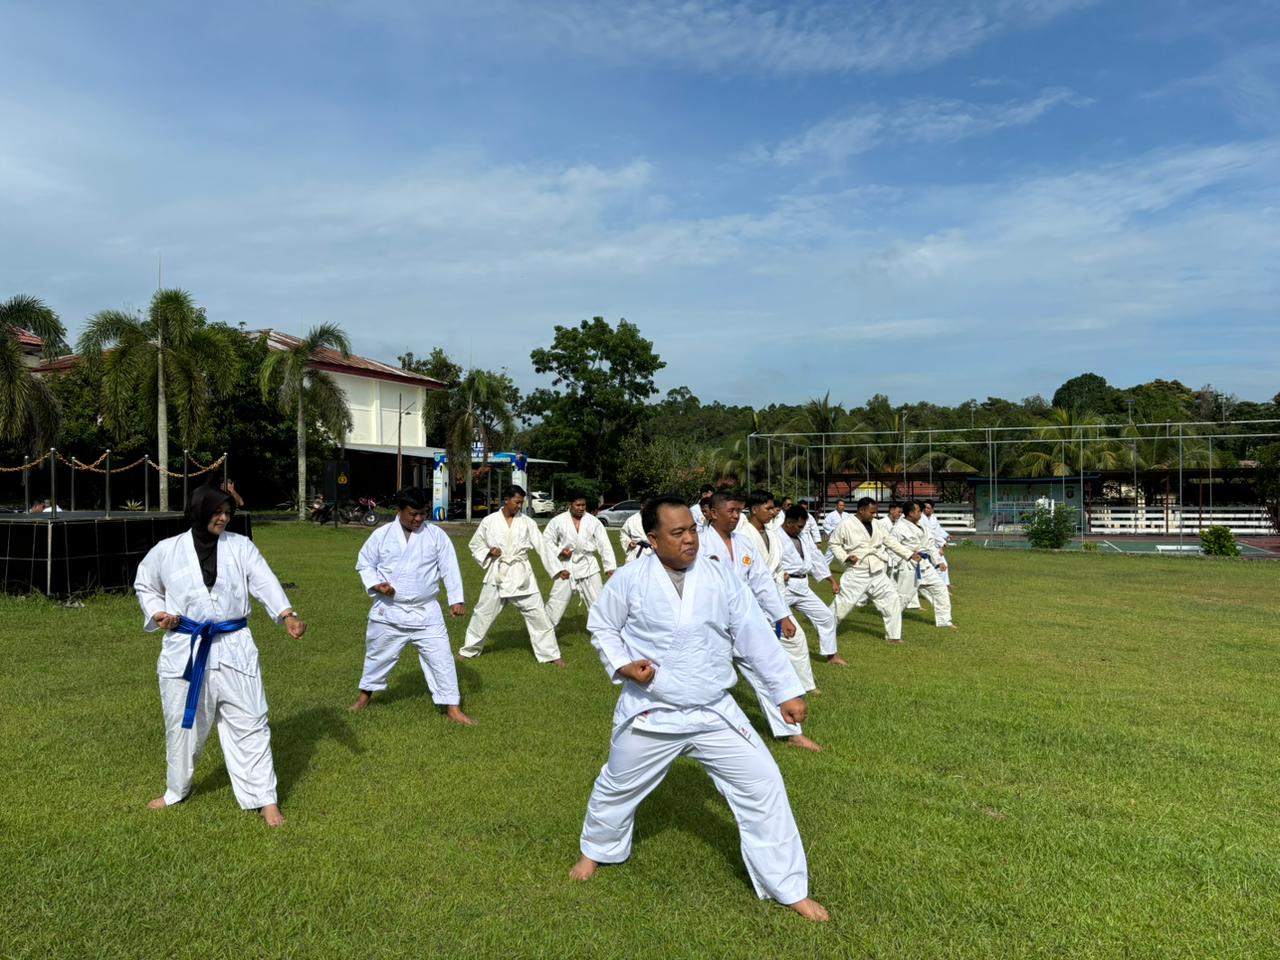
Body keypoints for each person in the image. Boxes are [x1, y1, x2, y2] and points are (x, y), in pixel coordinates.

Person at [568, 495, 828, 923]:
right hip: (653, 710)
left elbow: (753, 637)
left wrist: (786, 691)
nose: (690, 539)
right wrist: (622, 664)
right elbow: (602, 626)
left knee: (764, 784)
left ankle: (788, 888)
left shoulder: (720, 576)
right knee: (617, 785)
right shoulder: (630, 580)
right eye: (677, 533)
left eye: (691, 529)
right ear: (652, 539)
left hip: (712, 711)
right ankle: (596, 851)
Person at [133, 484, 306, 827]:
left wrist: (286, 614)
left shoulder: (241, 547)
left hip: (234, 644)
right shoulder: (166, 551)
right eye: (217, 512)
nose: (224, 518)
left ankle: (265, 799)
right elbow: (146, 585)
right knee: (183, 726)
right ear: (199, 511)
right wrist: (157, 613)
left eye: (228, 512)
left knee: (252, 720)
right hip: (186, 647)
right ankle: (175, 790)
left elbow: (264, 581)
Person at [702, 490, 820, 752]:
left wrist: (782, 615)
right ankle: (706, 734)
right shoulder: (698, 544)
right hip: (708, 624)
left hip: (743, 622)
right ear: (712, 513)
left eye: (738, 511)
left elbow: (763, 584)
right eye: (730, 511)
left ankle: (791, 732)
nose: (735, 517)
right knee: (706, 680)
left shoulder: (744, 544)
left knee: (766, 673)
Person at [350, 487, 474, 722]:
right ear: (399, 511)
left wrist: (456, 599)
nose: (418, 519)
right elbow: (364, 564)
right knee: (378, 656)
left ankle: (453, 709)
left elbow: (449, 567)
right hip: (390, 610)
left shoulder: (436, 536)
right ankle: (364, 698)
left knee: (442, 659)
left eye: (423, 513)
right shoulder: (382, 535)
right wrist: (377, 584)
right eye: (413, 514)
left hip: (426, 611)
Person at [459, 485, 563, 666]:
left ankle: (551, 655)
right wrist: (490, 551)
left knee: (539, 615)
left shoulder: (527, 522)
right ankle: (469, 650)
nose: (519, 506)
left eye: (522, 503)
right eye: (517, 502)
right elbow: (475, 545)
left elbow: (542, 547)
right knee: (482, 614)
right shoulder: (489, 521)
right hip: (497, 574)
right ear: (506, 500)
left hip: (522, 575)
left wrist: (557, 569)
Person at [826, 497, 919, 658]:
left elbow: (889, 541)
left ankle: (893, 636)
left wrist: (909, 554)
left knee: (891, 599)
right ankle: (824, 627)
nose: (874, 515)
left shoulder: (876, 524)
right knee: (843, 604)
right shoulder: (846, 524)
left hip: (877, 569)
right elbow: (834, 543)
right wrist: (845, 557)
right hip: (858, 570)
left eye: (875, 512)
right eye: (871, 512)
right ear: (861, 510)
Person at [778, 505, 841, 669]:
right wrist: (778, 573)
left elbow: (817, 559)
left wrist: (832, 581)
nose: (801, 529)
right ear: (789, 522)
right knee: (776, 624)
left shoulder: (803, 537)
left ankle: (831, 655)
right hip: (783, 586)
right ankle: (775, 658)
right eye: (799, 526)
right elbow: (767, 561)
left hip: (802, 585)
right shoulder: (775, 536)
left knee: (826, 616)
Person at [543, 492, 616, 627]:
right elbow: (546, 541)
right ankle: (544, 630)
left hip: (588, 564)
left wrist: (610, 567)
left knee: (598, 600)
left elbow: (604, 544)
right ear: (570, 505)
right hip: (566, 565)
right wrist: (560, 551)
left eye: (583, 505)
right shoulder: (558, 520)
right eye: (578, 505)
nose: (581, 508)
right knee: (557, 600)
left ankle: (604, 631)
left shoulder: (593, 521)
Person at [891, 501, 954, 629]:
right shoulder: (898, 528)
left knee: (941, 589)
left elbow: (929, 545)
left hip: (925, 564)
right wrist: (905, 558)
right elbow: (891, 548)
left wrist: (939, 561)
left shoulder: (922, 525)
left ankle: (944, 621)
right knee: (903, 598)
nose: (921, 513)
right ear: (910, 513)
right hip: (909, 566)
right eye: (918, 511)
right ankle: (891, 622)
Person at [922, 500, 953, 587]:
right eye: (925, 508)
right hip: (926, 545)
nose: (926, 510)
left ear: (932, 510)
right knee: (936, 566)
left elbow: (938, 530)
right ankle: (940, 586)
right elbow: (931, 533)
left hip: (934, 545)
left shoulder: (933, 518)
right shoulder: (922, 518)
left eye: (928, 508)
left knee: (941, 565)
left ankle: (944, 585)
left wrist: (946, 535)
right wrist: (942, 544)